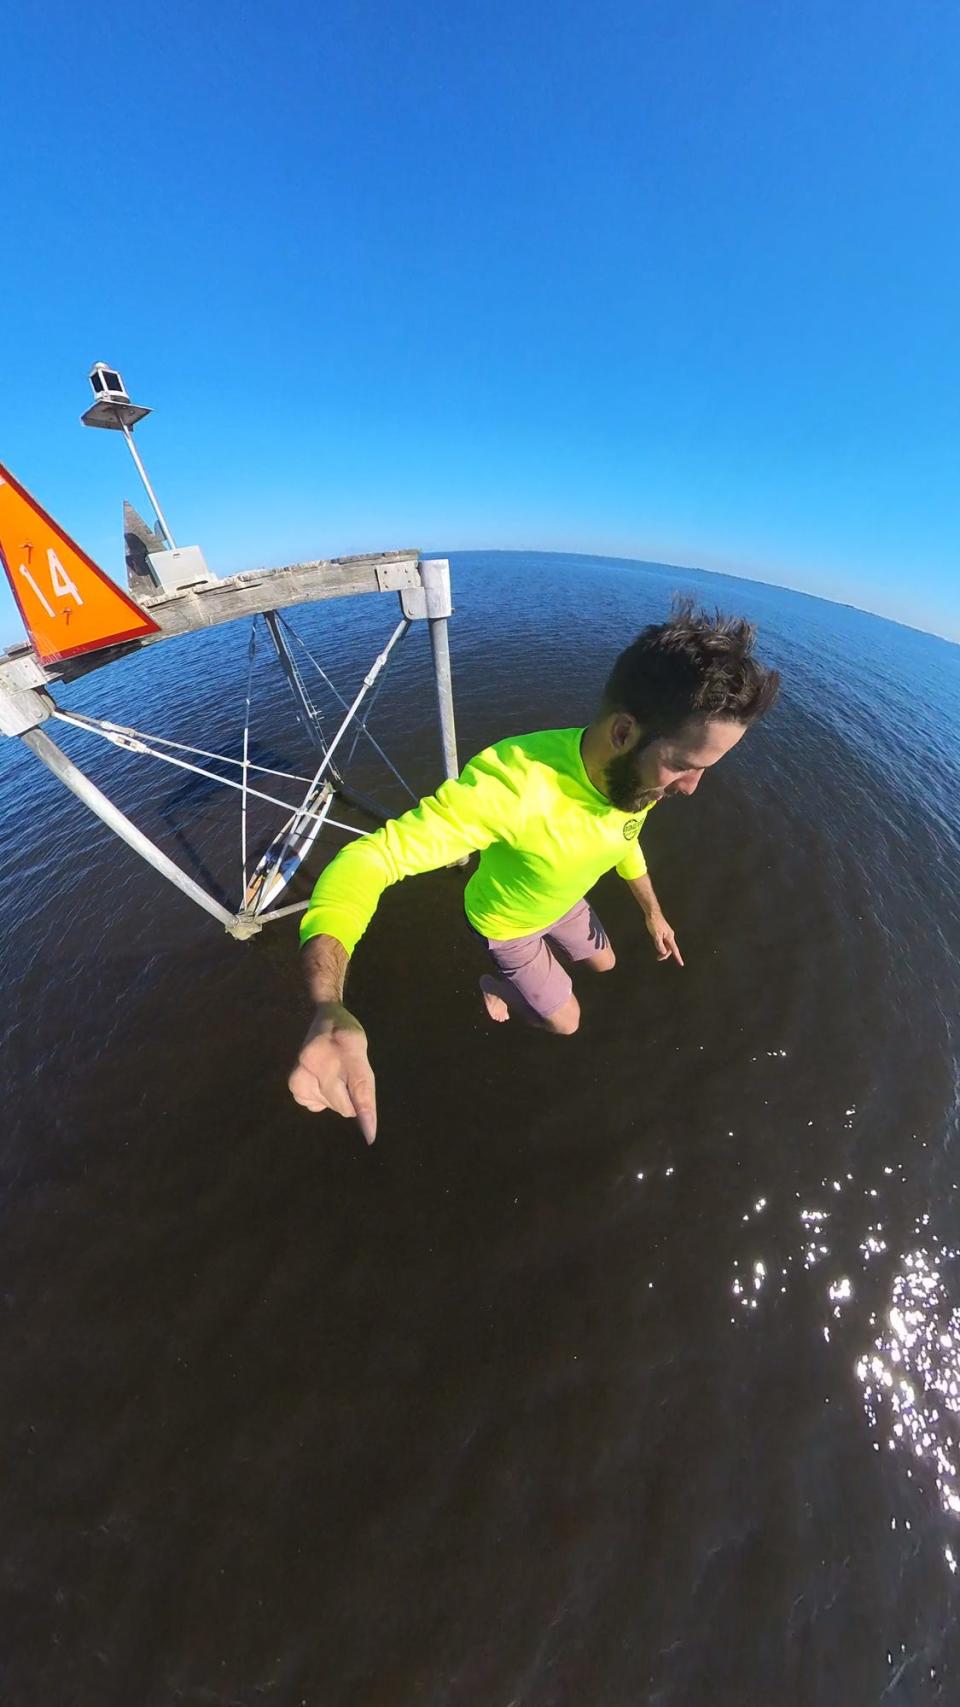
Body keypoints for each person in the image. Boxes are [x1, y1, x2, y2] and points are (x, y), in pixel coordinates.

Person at [288, 598, 780, 1143]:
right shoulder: (513, 787)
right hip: (508, 923)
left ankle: (541, 967)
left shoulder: (634, 785)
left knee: (607, 964)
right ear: (623, 733)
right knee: (565, 1023)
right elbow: (370, 859)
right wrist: (328, 1003)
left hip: (561, 899)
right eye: (685, 766)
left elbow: (623, 843)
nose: (690, 789)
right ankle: (492, 982)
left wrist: (654, 914)